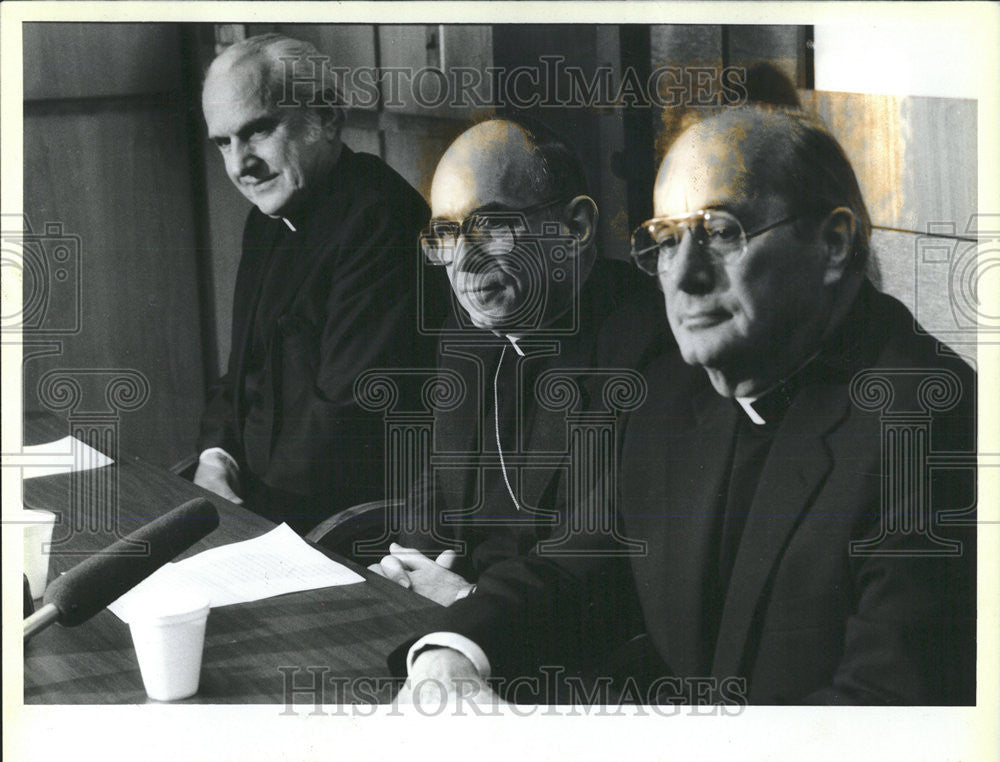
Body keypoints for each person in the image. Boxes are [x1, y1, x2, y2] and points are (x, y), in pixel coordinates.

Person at [389, 105, 977, 706]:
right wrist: (452, 653)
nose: (684, 275)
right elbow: (576, 566)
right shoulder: (681, 392)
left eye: (721, 232)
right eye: (667, 241)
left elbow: (887, 715)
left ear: (833, 242)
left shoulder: (932, 425)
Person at [365, 117, 666, 620]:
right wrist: (408, 567)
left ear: (576, 226)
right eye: (445, 234)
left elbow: (604, 558)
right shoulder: (465, 330)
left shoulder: (651, 350)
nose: (463, 260)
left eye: (490, 225)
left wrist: (468, 604)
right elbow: (436, 481)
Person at [194, 34, 445, 531]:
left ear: (327, 118)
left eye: (258, 131)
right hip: (263, 508)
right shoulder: (268, 217)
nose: (239, 165)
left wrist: (249, 526)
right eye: (223, 142)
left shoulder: (380, 219)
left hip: (338, 524)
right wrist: (215, 455)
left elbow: (346, 422)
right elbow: (241, 369)